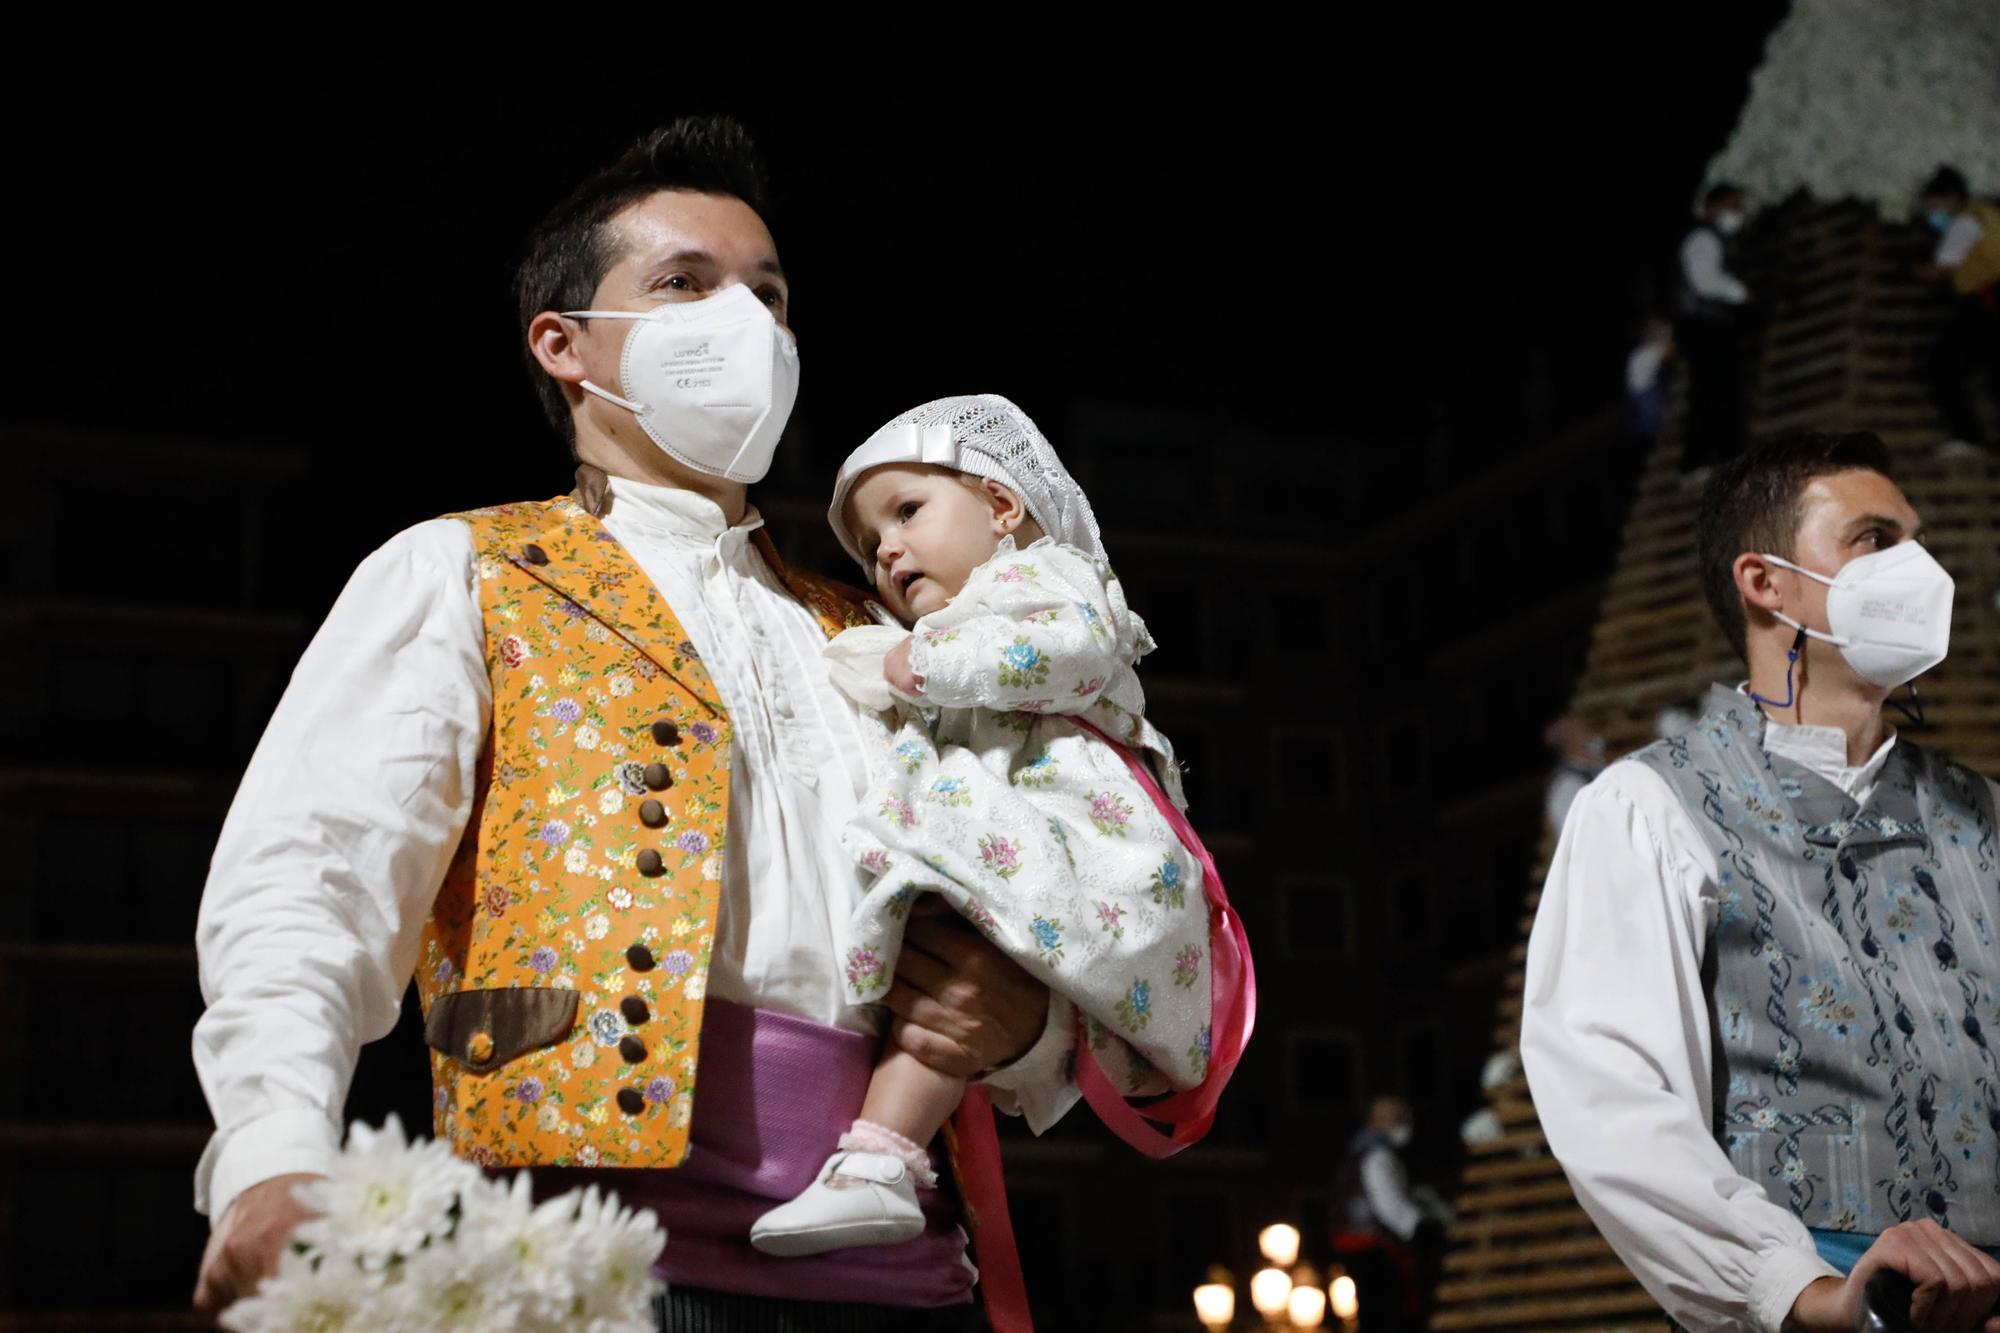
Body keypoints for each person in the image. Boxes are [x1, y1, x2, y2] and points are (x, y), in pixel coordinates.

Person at [189, 117, 1064, 1331]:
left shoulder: (883, 638)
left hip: (905, 1277)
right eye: (684, 284)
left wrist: (1027, 1031)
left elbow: (1057, 879)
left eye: (768, 293)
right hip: (582, 1272)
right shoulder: (460, 570)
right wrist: (272, 1155)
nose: (746, 324)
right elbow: (311, 878)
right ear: (562, 344)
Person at [1522, 432, 2000, 1332]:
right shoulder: (1649, 809)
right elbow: (1613, 1095)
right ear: (1764, 581)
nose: (1919, 569)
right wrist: (1799, 1291)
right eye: (1875, 539)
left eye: (1919, 539)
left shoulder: (1988, 818)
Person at [749, 395, 1236, 1256]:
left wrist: (920, 663)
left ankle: (878, 1163)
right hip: (1015, 828)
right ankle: (880, 1164)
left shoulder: (1047, 581)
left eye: (906, 512)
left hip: (1079, 834)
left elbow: (1075, 648)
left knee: (958, 975)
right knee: (943, 991)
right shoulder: (942, 632)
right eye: (869, 546)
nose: (886, 549)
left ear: (1004, 506)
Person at [1915, 166, 2000, 456]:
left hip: (1986, 304)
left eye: (1935, 206)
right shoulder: (1987, 215)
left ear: (1952, 198)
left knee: (1942, 366)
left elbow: (1942, 269)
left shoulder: (1964, 223)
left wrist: (1910, 271)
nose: (1933, 213)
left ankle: (1967, 437)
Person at [1676, 183, 1753, 478]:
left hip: (1712, 325)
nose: (1738, 213)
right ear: (1714, 207)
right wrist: (1739, 292)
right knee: (1710, 389)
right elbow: (1705, 280)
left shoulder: (1720, 239)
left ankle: (1722, 455)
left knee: (1721, 387)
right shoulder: (1702, 238)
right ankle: (1698, 461)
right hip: (1702, 325)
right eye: (1733, 206)